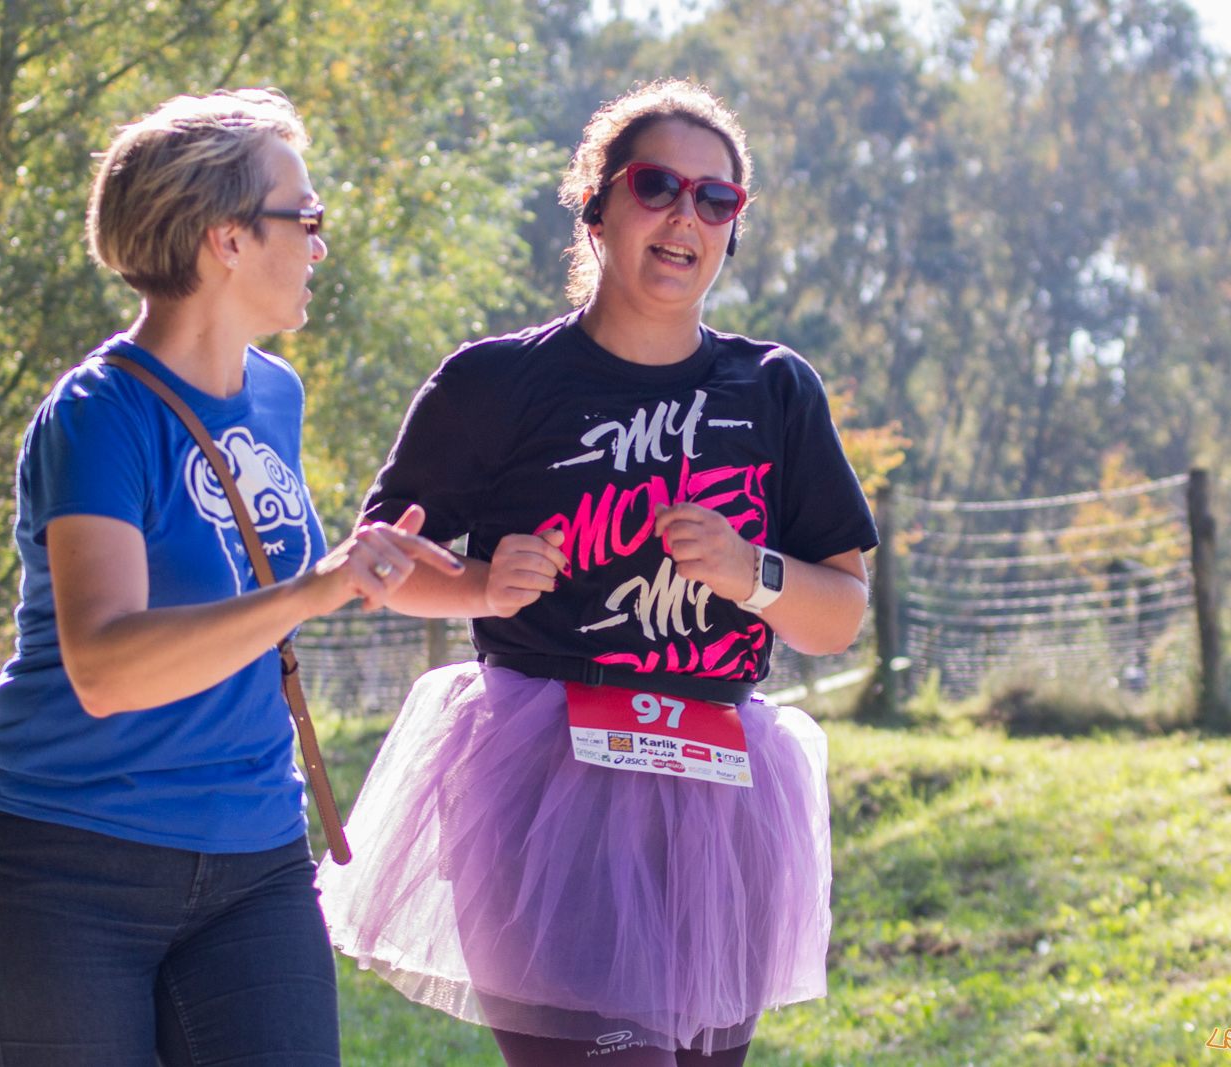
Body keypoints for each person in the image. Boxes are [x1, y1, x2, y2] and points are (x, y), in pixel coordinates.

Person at [318, 80, 878, 1066]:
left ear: (732, 230)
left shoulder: (776, 387)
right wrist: (478, 587)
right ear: (597, 204)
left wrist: (752, 572)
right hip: (544, 790)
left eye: (717, 199)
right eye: (658, 184)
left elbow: (837, 618)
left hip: (719, 795)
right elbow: (378, 565)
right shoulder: (495, 381)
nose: (685, 215)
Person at [0, 89, 462, 1067]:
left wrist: (467, 584)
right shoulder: (95, 415)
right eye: (302, 218)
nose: (318, 243)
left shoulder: (275, 392)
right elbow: (103, 666)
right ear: (226, 238)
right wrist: (312, 588)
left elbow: (260, 580)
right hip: (67, 863)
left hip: (253, 860)